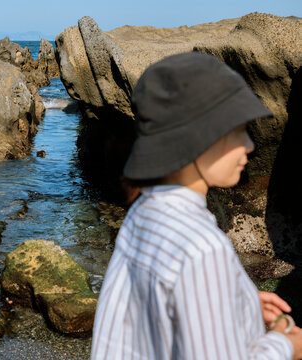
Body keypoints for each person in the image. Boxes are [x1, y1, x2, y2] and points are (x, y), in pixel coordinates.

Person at [91, 52, 302, 359]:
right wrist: (285, 345)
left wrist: (236, 300)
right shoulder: (202, 248)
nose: (250, 144)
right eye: (237, 130)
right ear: (196, 139)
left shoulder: (145, 209)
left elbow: (156, 304)